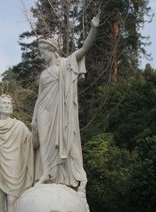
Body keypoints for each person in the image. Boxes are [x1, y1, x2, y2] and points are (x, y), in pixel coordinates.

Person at [32, 15, 100, 192]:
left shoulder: (65, 64)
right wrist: (34, 118)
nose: (42, 55)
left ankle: (63, 176)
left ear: (52, 50)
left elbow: (84, 49)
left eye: (43, 52)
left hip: (59, 109)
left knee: (60, 140)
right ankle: (47, 173)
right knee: (45, 142)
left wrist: (93, 28)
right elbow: (39, 97)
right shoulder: (43, 74)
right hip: (43, 109)